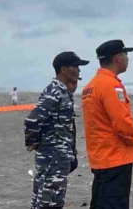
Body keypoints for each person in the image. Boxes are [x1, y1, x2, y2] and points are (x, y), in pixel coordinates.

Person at [83, 40, 133, 209]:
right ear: (117, 57)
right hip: (115, 157)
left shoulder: (91, 86)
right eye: (125, 54)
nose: (128, 58)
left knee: (100, 203)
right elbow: (122, 123)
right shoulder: (110, 85)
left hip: (100, 156)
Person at [25, 51, 88, 209]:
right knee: (50, 202)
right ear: (63, 69)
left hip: (55, 157)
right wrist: (34, 142)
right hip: (54, 157)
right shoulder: (56, 92)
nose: (79, 70)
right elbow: (32, 120)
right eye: (75, 66)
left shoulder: (61, 91)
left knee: (43, 201)